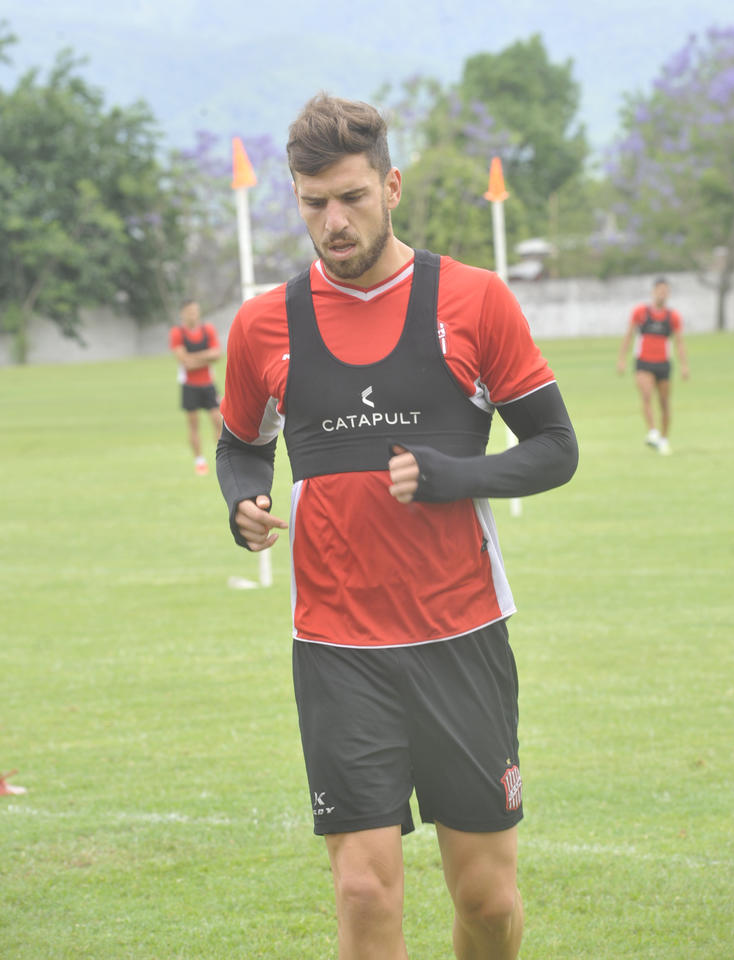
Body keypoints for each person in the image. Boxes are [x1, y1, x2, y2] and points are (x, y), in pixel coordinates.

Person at [216, 94, 578, 960]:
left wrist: (457, 476)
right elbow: (240, 445)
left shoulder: (475, 300)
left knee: (486, 900)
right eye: (314, 203)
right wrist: (243, 502)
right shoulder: (263, 324)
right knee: (363, 890)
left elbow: (556, 448)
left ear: (391, 186)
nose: (334, 222)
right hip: (337, 647)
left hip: (462, 636)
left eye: (351, 197)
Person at [616, 276, 689, 455]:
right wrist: (622, 359)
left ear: (668, 294)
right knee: (646, 395)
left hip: (663, 364)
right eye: (659, 290)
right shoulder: (640, 312)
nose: (662, 294)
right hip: (644, 362)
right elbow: (629, 335)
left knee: (664, 403)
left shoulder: (673, 317)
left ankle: (664, 440)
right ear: (653, 292)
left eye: (665, 291)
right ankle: (653, 431)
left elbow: (679, 342)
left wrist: (684, 365)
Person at [169, 299, 223, 475]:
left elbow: (217, 354)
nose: (194, 315)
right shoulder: (177, 333)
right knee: (193, 425)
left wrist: (194, 358)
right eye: (190, 312)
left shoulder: (208, 330)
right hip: (189, 385)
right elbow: (185, 362)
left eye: (196, 311)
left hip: (208, 384)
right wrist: (206, 357)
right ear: (183, 314)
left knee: (218, 421)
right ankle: (199, 461)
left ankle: (221, 460)